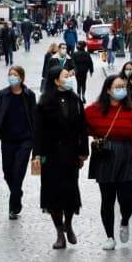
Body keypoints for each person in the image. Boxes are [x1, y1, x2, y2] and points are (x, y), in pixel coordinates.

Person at [85, 75, 132, 250]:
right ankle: (109, 236)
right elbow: (82, 127)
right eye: (117, 86)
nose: (121, 89)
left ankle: (124, 221)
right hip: (105, 156)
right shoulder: (94, 110)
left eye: (123, 86)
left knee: (126, 200)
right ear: (108, 90)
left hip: (126, 157)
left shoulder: (131, 111)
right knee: (107, 199)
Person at [32, 66, 88, 248]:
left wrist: (83, 151)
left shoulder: (76, 100)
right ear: (56, 80)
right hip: (51, 155)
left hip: (71, 154)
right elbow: (38, 131)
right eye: (66, 75)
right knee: (53, 194)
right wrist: (37, 154)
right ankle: (59, 233)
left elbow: (82, 128)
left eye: (71, 74)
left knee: (70, 192)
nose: (70, 77)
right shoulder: (45, 102)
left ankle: (69, 224)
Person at [0, 66, 36, 220]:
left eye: (15, 75)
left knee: (18, 172)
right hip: (7, 140)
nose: (12, 77)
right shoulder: (3, 95)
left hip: (25, 141)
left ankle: (13, 207)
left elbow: (36, 119)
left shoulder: (29, 95)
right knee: (8, 173)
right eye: (10, 74)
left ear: (21, 78)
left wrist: (39, 143)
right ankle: (17, 192)